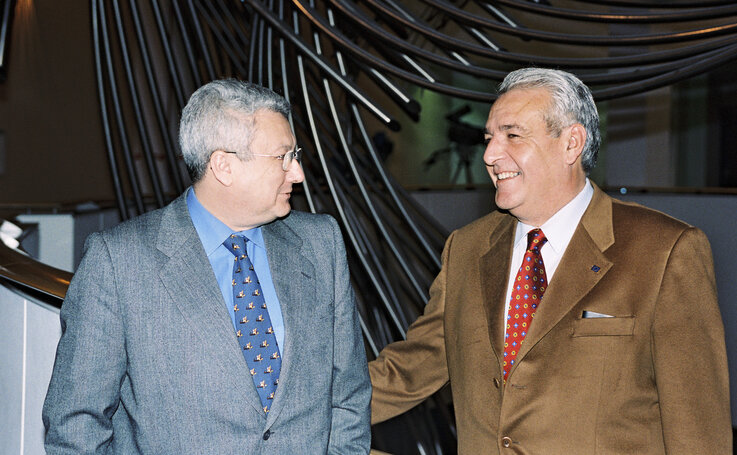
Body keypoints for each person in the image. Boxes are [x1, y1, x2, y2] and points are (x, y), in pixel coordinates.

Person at [369, 68, 732, 454]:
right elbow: (410, 369)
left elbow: (698, 430)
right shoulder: (467, 248)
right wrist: (305, 409)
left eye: (512, 135)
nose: (490, 155)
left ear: (571, 143)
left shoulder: (664, 251)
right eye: (489, 138)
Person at [43, 79, 371, 454]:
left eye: (294, 155)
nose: (296, 173)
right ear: (224, 166)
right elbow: (76, 425)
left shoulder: (320, 242)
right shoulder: (119, 262)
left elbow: (348, 396)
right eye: (282, 157)